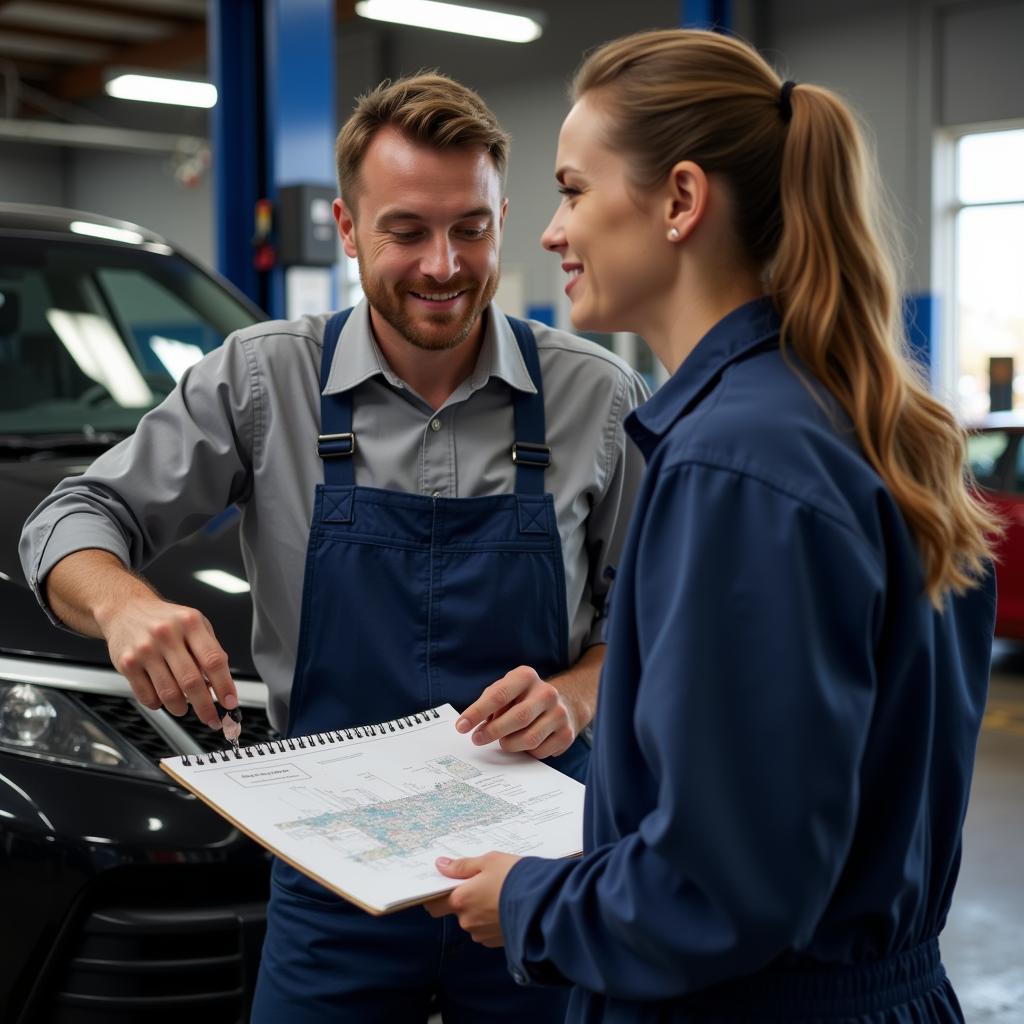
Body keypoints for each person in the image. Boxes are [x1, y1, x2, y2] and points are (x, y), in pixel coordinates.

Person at [18, 73, 649, 1022]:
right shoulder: (262, 380)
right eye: (406, 231)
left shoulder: (595, 399)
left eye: (470, 228)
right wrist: (124, 604)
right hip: (333, 890)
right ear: (348, 230)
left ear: (505, 217)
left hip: (542, 885)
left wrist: (577, 692)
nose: (443, 265)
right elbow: (71, 517)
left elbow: (653, 627)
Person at [426, 29, 999, 1024]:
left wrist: (528, 899)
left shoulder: (737, 465)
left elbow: (721, 889)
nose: (552, 234)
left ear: (681, 201)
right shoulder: (847, 418)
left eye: (571, 189)